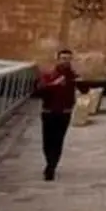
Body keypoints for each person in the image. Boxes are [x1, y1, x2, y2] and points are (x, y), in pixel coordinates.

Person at [36, 48, 83, 181]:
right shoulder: (50, 74)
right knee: (47, 141)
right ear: (58, 59)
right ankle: (49, 163)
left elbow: (84, 90)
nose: (66, 61)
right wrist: (54, 84)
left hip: (64, 112)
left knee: (58, 140)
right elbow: (39, 91)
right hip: (49, 111)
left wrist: (81, 81)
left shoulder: (73, 76)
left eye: (68, 59)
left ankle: (51, 166)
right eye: (63, 58)